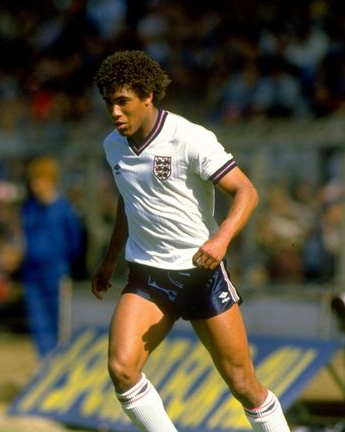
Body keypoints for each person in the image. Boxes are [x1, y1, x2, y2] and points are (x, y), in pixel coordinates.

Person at [91, 50, 290, 432]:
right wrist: (109, 259)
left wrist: (221, 240)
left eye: (122, 101)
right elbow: (128, 198)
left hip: (202, 274)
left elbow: (247, 192)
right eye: (108, 103)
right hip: (148, 275)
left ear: (147, 95)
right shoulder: (113, 146)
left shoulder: (190, 138)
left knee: (244, 384)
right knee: (122, 368)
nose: (115, 112)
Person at [20, 155, 84, 357]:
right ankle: (44, 360)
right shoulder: (30, 209)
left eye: (40, 180)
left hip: (55, 271)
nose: (36, 185)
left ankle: (59, 359)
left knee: (59, 318)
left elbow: (75, 242)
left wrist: (64, 263)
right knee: (38, 319)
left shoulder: (63, 209)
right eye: (33, 181)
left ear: (51, 181)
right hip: (32, 272)